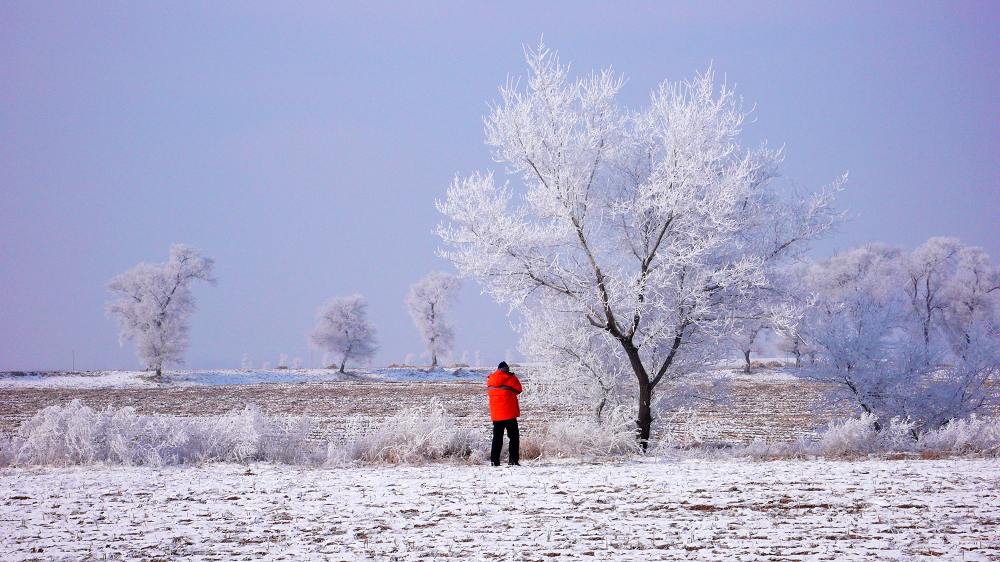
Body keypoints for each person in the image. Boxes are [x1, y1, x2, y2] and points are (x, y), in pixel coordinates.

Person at [487, 361, 522, 466]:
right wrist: (513, 376)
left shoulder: (491, 378)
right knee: (514, 437)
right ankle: (513, 460)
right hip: (509, 413)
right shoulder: (510, 378)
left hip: (496, 414)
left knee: (497, 438)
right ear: (506, 369)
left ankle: (494, 461)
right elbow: (519, 390)